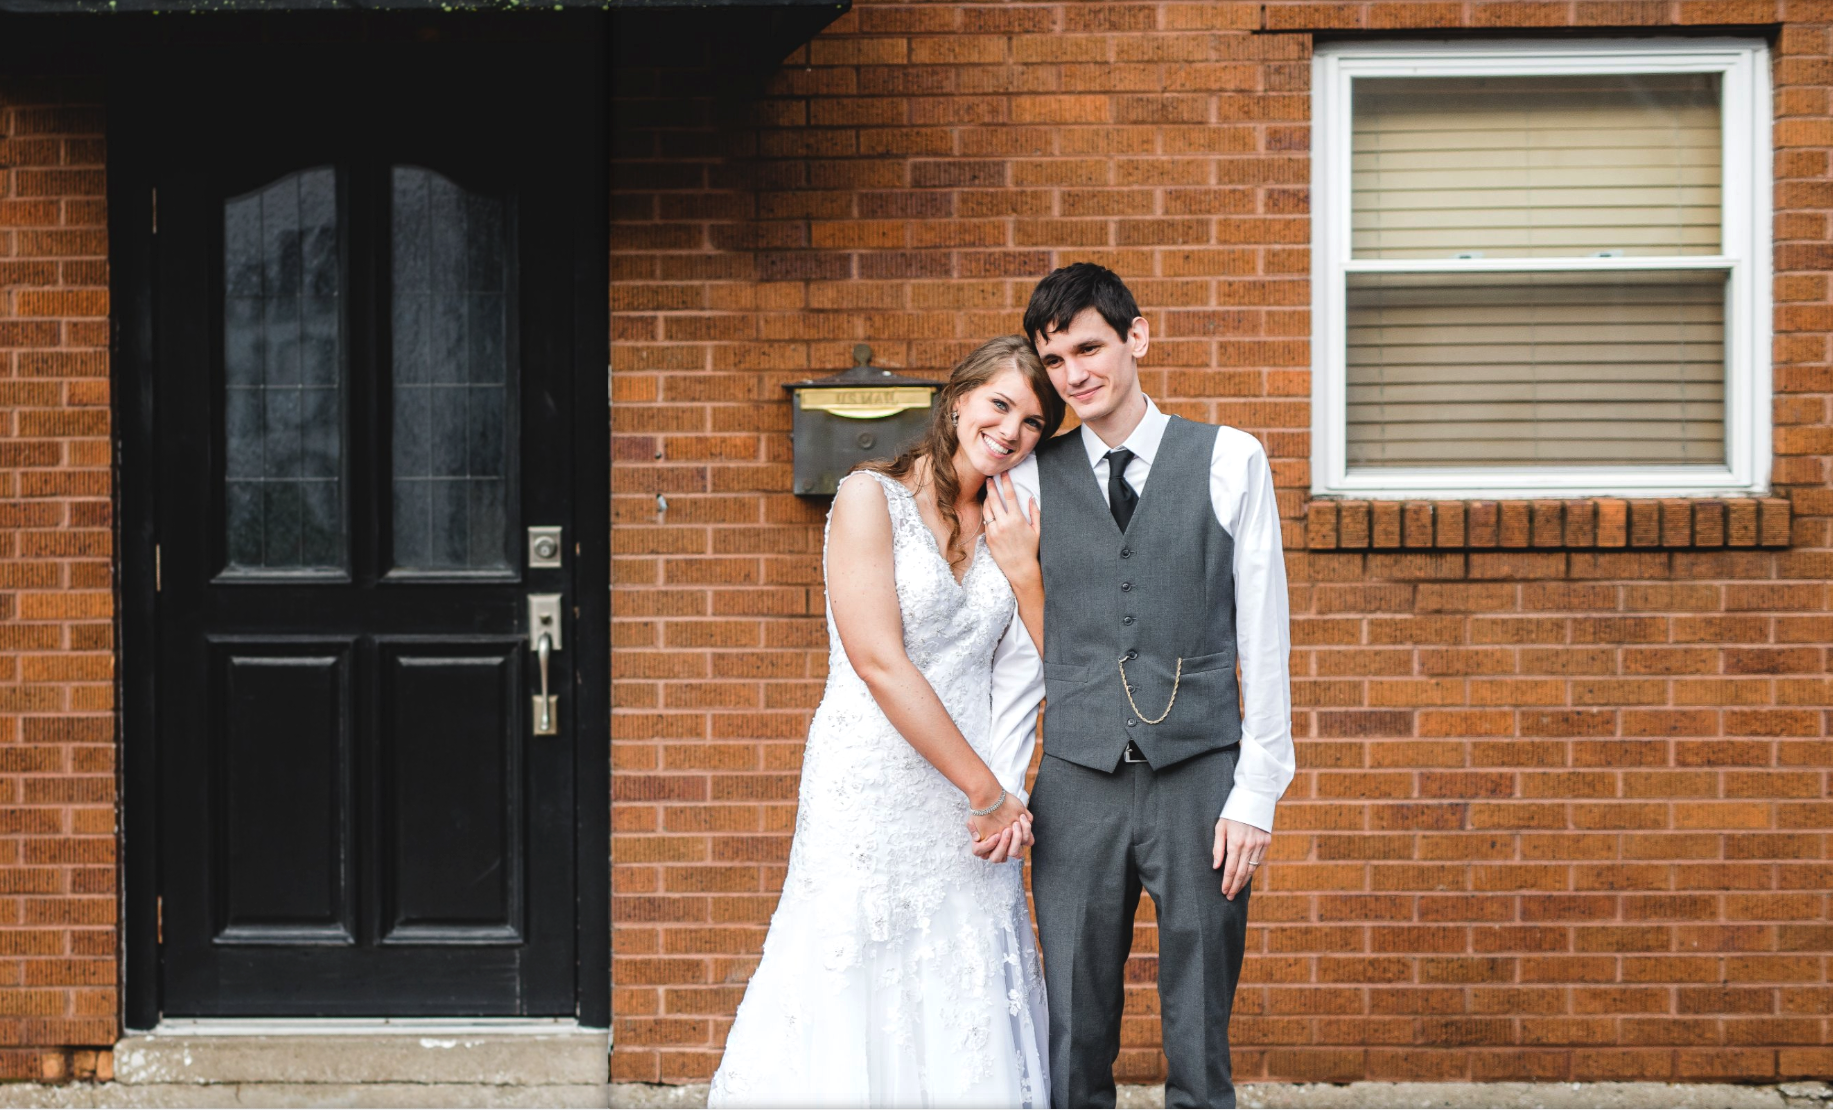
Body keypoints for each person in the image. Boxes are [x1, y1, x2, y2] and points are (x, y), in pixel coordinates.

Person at [708, 335, 1066, 1109]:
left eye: (1034, 422)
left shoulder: (1018, 519)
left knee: (962, 979)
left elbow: (1042, 668)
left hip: (977, 798)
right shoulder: (868, 498)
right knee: (856, 969)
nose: (1010, 431)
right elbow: (877, 660)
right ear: (958, 398)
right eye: (1000, 404)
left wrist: (1026, 571)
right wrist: (986, 793)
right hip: (875, 783)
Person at [992, 262, 1295, 1109]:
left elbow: (1263, 636)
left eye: (1087, 348)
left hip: (1201, 774)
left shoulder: (1229, 458)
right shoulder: (1025, 479)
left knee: (1200, 1025)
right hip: (1077, 778)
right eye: (1054, 362)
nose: (1073, 375)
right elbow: (1020, 656)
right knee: (1073, 1025)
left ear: (1137, 336)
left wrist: (1257, 791)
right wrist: (1006, 782)